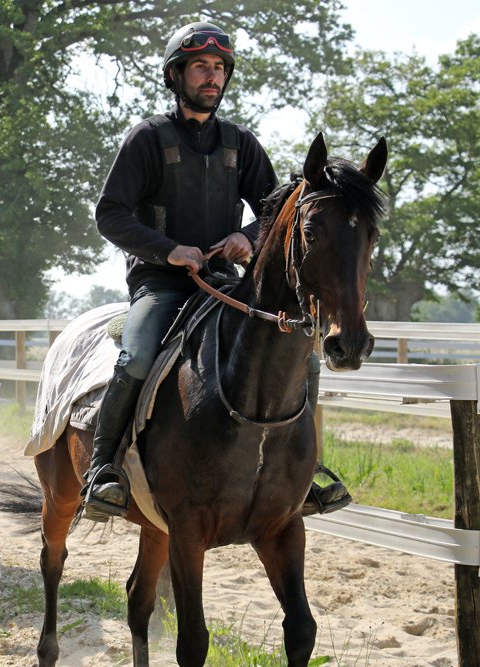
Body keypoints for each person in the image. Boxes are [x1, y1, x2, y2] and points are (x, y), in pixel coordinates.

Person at [82, 21, 352, 521]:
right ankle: (103, 472)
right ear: (176, 75)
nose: (212, 77)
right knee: (136, 358)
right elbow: (110, 214)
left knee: (306, 360)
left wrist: (247, 236)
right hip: (161, 283)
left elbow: (278, 212)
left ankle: (306, 471)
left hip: (227, 284)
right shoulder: (146, 138)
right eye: (201, 67)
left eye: (219, 69)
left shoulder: (241, 143)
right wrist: (169, 251)